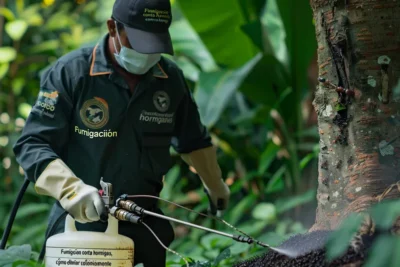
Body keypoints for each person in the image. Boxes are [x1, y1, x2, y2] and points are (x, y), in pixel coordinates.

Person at [13, 0, 230, 266]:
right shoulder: (72, 73)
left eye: (155, 46)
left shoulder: (169, 80)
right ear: (113, 27)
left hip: (144, 225)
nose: (147, 54)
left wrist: (215, 184)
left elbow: (193, 141)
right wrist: (71, 190)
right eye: (138, 43)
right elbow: (32, 143)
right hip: (80, 228)